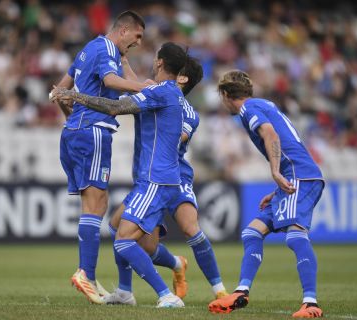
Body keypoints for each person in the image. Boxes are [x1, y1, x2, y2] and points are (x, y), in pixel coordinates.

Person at [51, 42, 189, 308]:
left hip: (156, 180)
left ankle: (166, 295)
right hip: (153, 179)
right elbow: (138, 88)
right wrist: (124, 61)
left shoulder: (162, 93)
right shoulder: (166, 92)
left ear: (159, 63)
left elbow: (115, 107)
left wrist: (76, 96)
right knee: (116, 225)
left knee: (123, 241)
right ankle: (126, 291)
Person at [104, 57, 228, 306]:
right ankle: (166, 268)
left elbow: (174, 138)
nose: (159, 66)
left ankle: (221, 292)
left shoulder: (187, 112)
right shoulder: (157, 93)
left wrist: (151, 101)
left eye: (168, 66)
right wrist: (125, 60)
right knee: (139, 242)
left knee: (190, 228)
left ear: (181, 78)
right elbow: (136, 87)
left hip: (175, 176)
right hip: (148, 177)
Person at [208, 70, 324, 318]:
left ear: (227, 95)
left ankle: (311, 303)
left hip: (299, 176)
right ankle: (241, 292)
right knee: (252, 232)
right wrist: (276, 190)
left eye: (221, 97)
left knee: (295, 236)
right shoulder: (261, 104)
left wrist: (274, 172)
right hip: (294, 175)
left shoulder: (248, 110)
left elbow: (270, 133)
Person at [53, 10, 149, 304]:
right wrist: (144, 88)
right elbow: (110, 80)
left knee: (96, 202)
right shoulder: (106, 48)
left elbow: (59, 90)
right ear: (123, 31)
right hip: (93, 131)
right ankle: (86, 273)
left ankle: (89, 276)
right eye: (137, 36)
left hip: (76, 131)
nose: (138, 42)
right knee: (96, 202)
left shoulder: (88, 49)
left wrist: (71, 117)